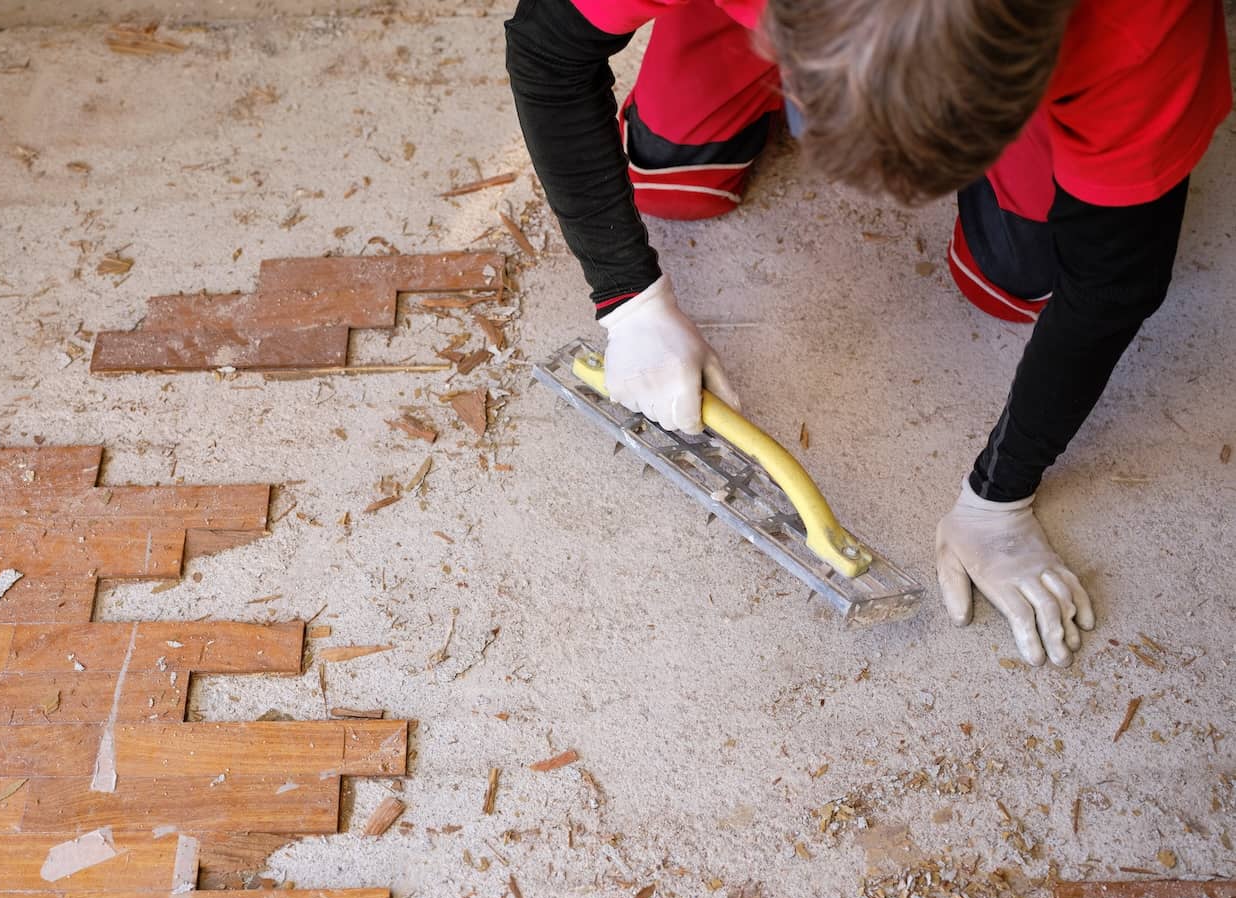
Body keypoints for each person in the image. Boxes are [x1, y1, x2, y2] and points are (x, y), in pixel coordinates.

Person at [504, 0, 1231, 666]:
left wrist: (999, 499)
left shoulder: (1140, 32)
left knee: (1017, 284)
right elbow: (546, 53)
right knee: (667, 181)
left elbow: (1113, 284)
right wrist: (629, 299)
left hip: (1064, 60)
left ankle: (1014, 141)